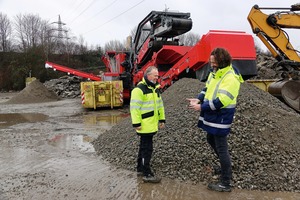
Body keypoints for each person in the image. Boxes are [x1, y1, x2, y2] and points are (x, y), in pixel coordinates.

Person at [187, 47, 244, 192]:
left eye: (214, 62)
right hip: (213, 114)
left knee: (221, 146)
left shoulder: (230, 77)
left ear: (221, 61)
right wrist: (199, 99)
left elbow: (222, 100)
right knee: (210, 138)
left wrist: (202, 107)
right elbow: (207, 88)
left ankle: (225, 182)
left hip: (222, 115)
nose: (211, 65)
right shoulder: (216, 73)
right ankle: (226, 167)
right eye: (211, 62)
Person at [130, 66, 166, 183]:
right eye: (155, 75)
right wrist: (136, 123)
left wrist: (162, 120)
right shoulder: (139, 90)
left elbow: (160, 106)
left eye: (157, 76)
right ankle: (147, 173)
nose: (157, 77)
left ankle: (140, 168)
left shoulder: (155, 89)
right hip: (144, 125)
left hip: (151, 124)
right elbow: (134, 108)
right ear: (148, 75)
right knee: (147, 149)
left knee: (143, 147)